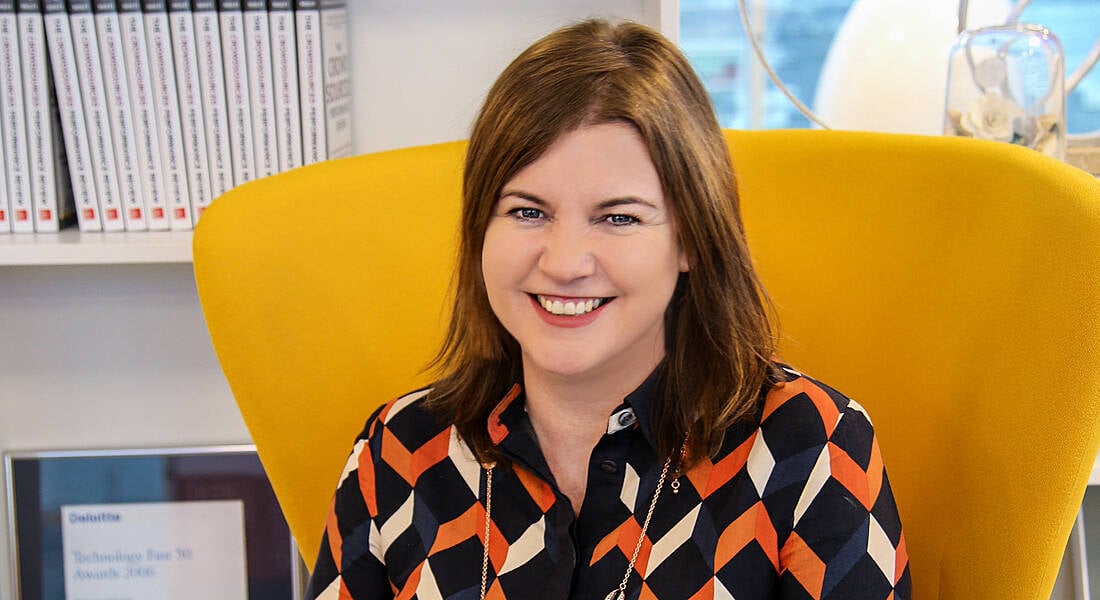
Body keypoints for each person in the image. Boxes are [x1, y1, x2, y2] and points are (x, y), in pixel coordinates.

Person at [308, 18, 910, 600]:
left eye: (618, 217)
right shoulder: (397, 450)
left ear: (692, 240)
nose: (566, 261)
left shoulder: (811, 448)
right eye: (527, 211)